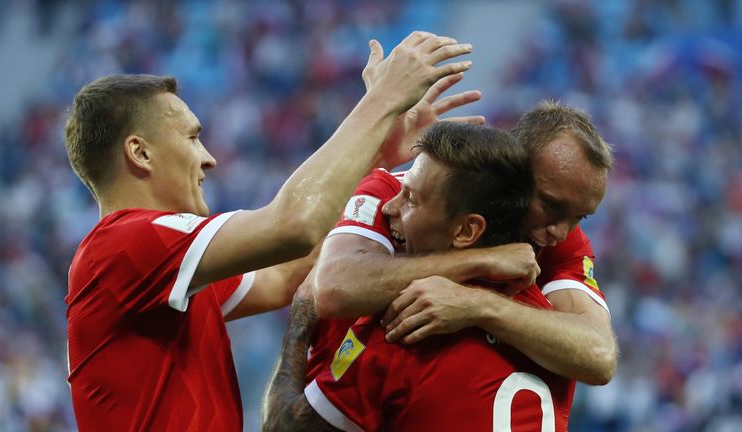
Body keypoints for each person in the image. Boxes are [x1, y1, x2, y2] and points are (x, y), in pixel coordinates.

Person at [63, 31, 475, 431]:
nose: (209, 160)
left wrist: (376, 156)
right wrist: (381, 101)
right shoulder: (124, 244)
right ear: (140, 152)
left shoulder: (158, 264)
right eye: (191, 138)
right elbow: (294, 226)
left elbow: (284, 275)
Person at [262, 122, 575, 431]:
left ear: (467, 230)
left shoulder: (406, 324)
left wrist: (301, 317)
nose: (389, 206)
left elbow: (283, 426)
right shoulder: (548, 335)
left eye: (411, 198)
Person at [311, 99, 617, 387]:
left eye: (579, 217)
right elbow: (334, 289)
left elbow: (599, 357)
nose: (561, 232)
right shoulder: (398, 193)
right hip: (327, 402)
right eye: (550, 204)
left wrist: (477, 305)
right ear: (513, 171)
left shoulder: (555, 241)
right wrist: (480, 261)